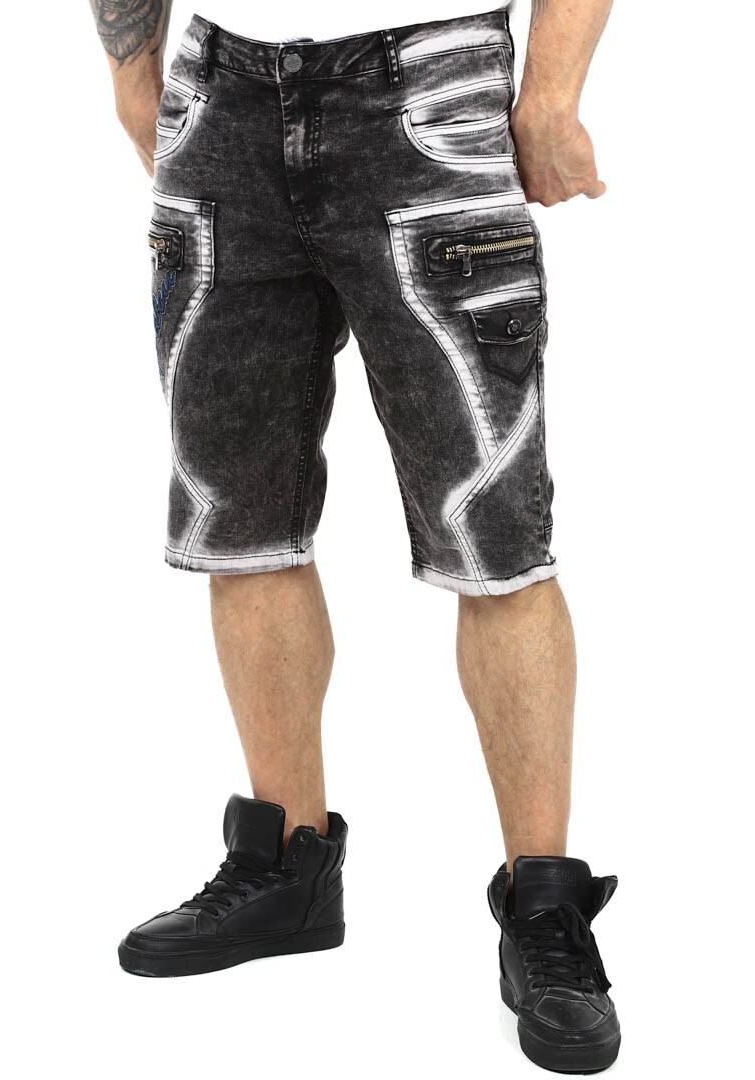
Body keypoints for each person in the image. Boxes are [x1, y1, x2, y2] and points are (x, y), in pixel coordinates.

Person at [91, 0, 619, 1071]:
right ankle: (286, 867)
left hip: (428, 88)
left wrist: (554, 90)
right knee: (239, 521)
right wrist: (130, 67)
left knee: (494, 536)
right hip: (219, 91)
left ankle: (545, 910)